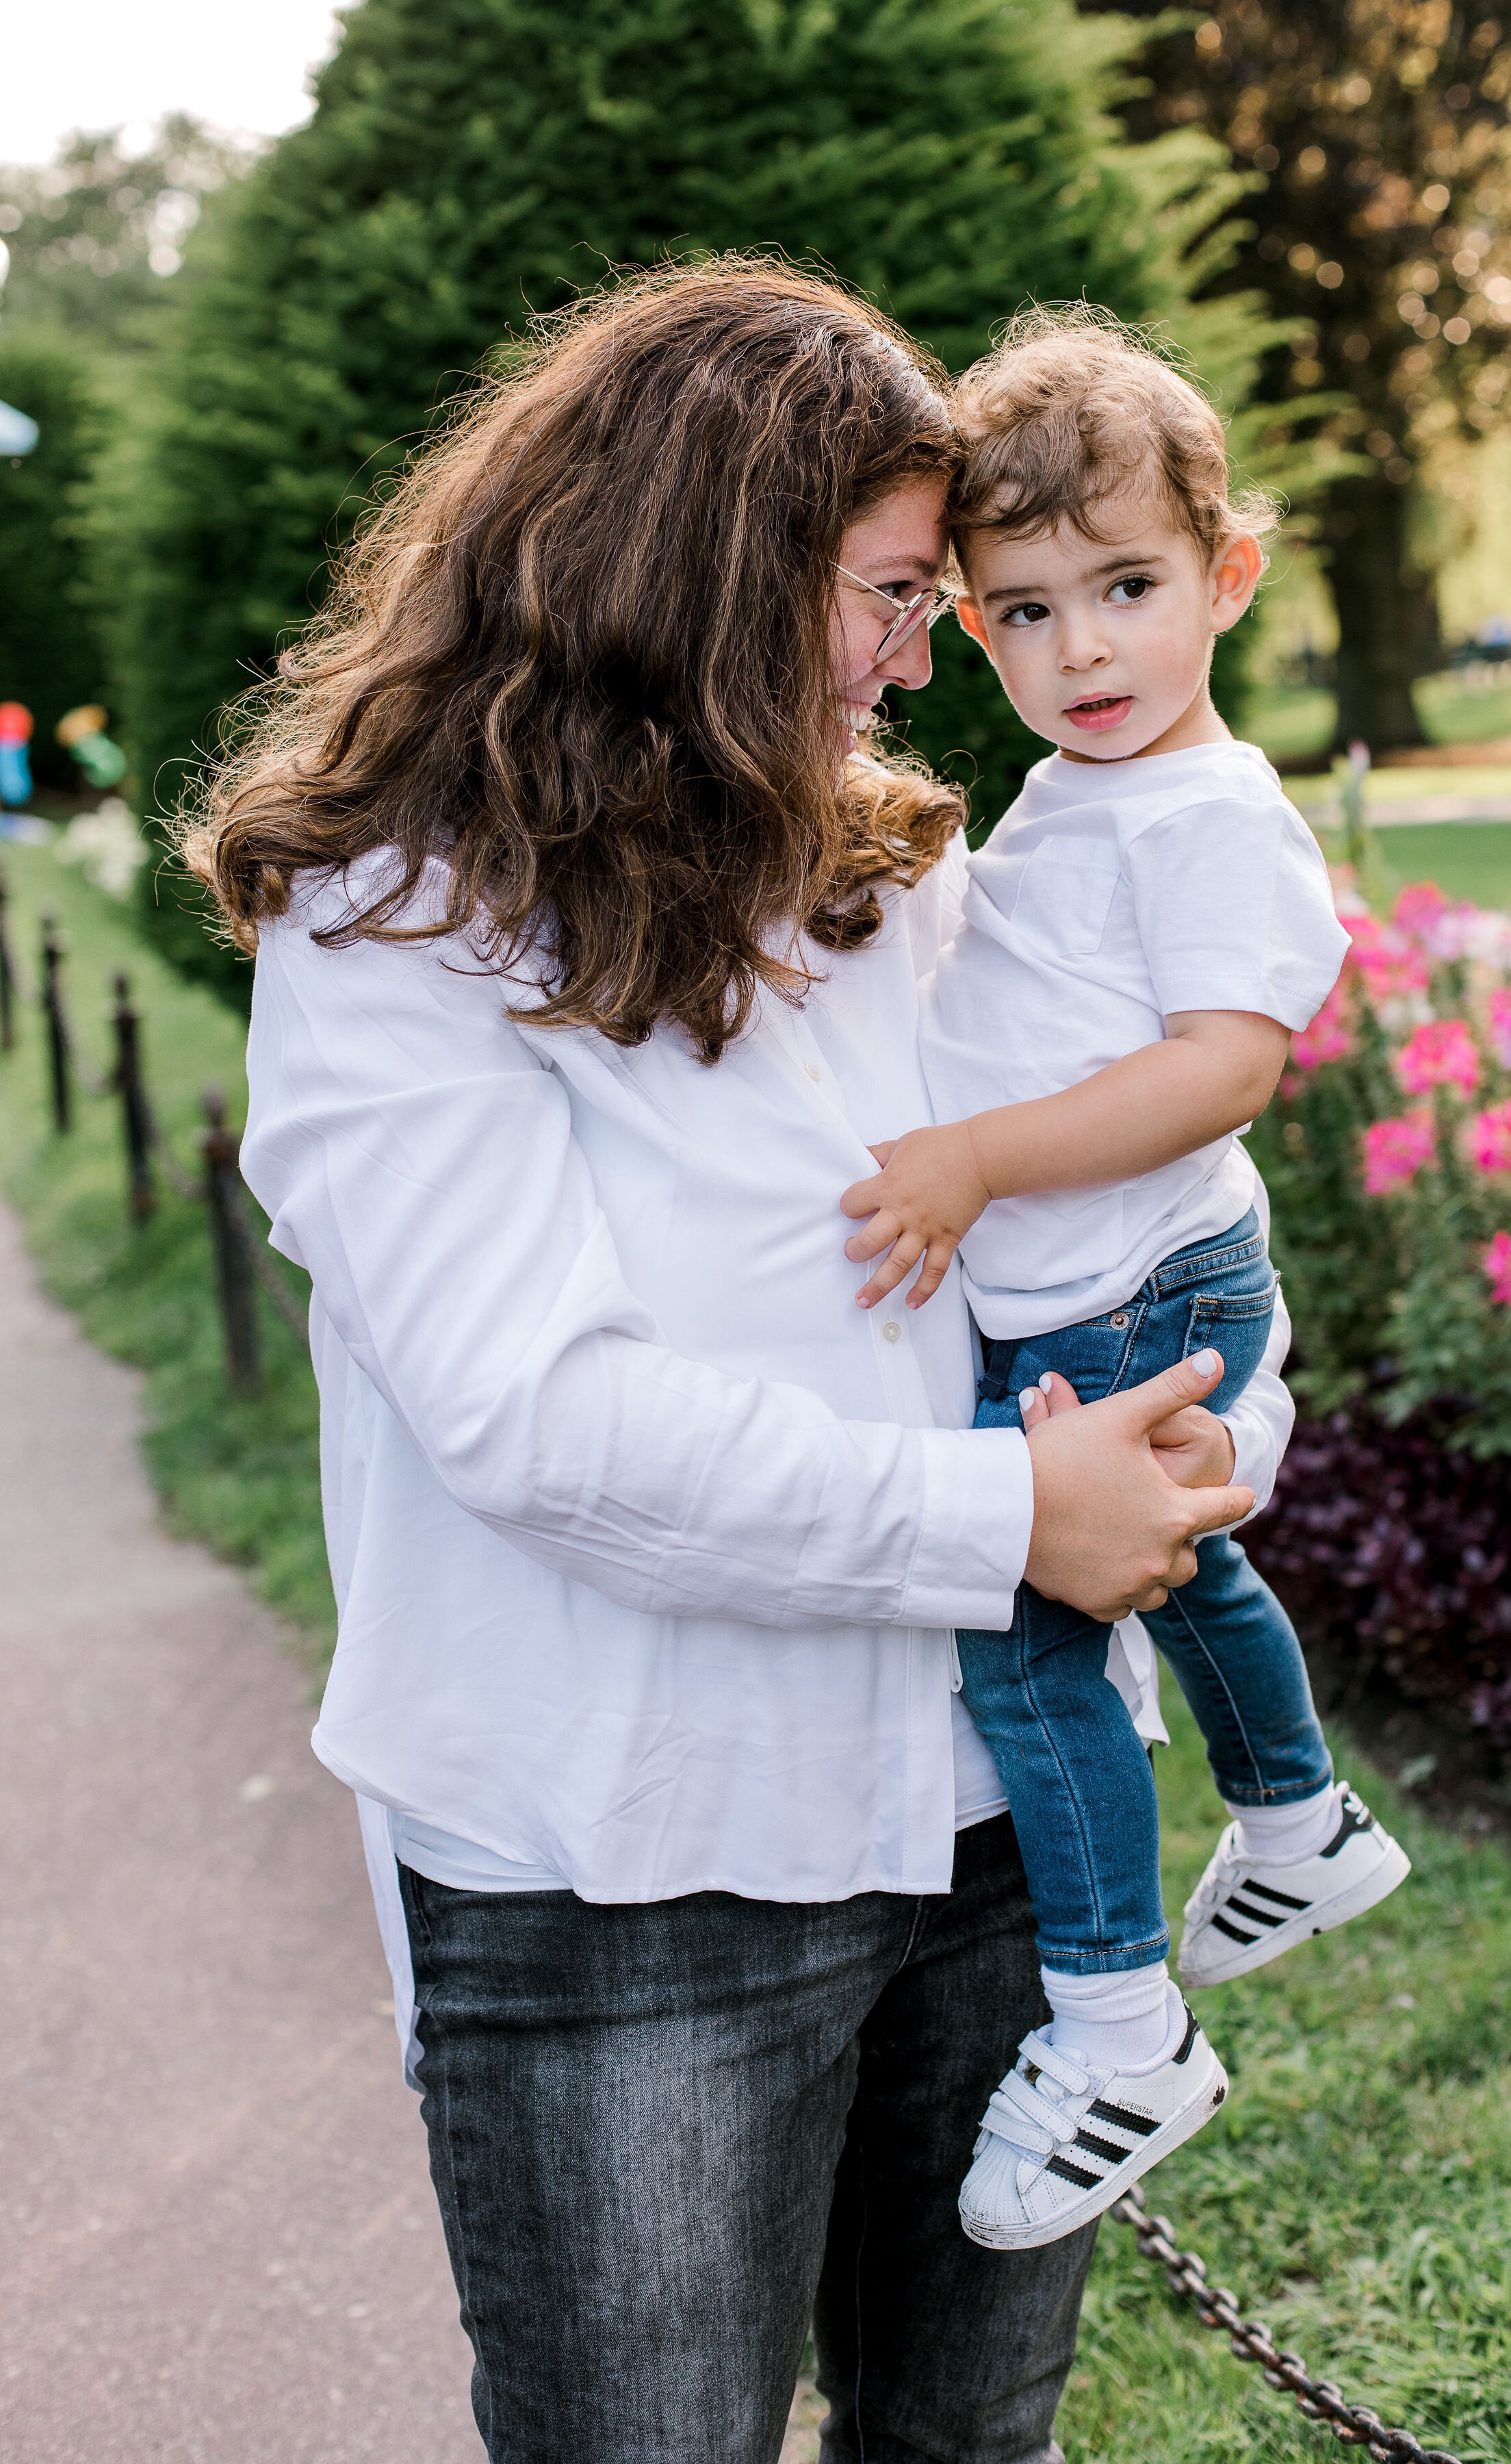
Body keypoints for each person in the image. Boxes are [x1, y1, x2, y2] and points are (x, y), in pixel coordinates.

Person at [185, 264, 1282, 2464]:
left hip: (1000, 1837)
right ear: (697, 572)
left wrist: (1211, 1443)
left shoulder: (901, 873)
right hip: (633, 1874)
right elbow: (538, 1412)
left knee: (969, 2441)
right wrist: (1013, 1519)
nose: (923, 653)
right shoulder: (398, 923)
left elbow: (1139, 1210)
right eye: (888, 594)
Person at [838, 309, 1411, 2255]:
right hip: (1104, 1287)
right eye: (1023, 613)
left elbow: (1225, 1065)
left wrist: (981, 1158)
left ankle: (1114, 2024)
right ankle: (1300, 1818)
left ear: (1229, 576)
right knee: (1196, 1566)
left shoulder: (1210, 811)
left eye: (1131, 590)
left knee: (1026, 1642)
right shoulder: (1100, 790)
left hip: (1125, 1290)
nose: (1082, 651)